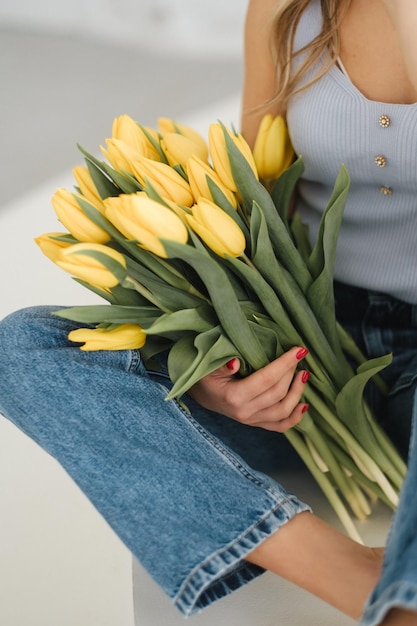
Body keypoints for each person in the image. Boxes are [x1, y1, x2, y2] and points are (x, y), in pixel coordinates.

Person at [0, 0, 416, 624]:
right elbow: (251, 205)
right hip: (307, 346)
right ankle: (352, 578)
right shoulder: (287, 10)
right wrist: (225, 367)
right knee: (28, 347)